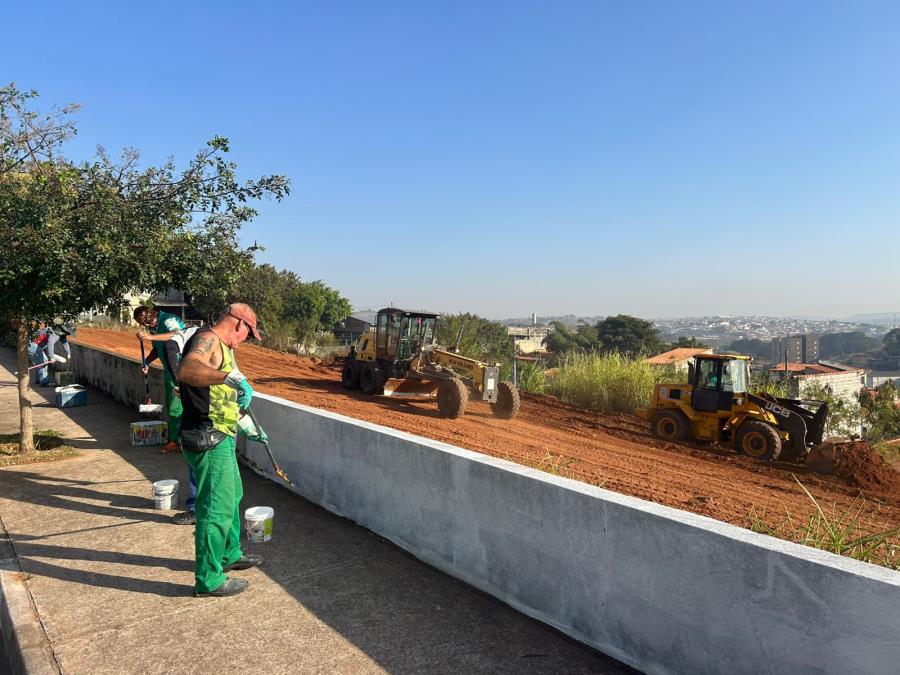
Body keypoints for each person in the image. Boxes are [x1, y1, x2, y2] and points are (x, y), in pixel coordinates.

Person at [177, 303, 264, 597]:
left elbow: (220, 397)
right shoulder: (208, 339)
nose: (246, 340)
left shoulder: (224, 349)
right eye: (248, 335)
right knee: (215, 509)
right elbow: (187, 369)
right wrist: (228, 377)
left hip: (222, 434)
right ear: (239, 324)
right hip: (207, 436)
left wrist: (247, 425)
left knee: (233, 495)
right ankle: (209, 579)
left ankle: (229, 553)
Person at [141, 325, 201, 525]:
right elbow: (170, 345)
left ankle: (201, 508)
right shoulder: (196, 335)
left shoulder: (215, 342)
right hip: (199, 416)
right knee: (197, 463)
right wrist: (179, 378)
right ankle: (195, 509)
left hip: (213, 420)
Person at [134, 306, 185, 453]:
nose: (146, 325)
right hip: (170, 372)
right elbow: (157, 348)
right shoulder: (155, 327)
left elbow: (177, 334)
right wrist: (146, 362)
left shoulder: (168, 320)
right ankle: (176, 441)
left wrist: (150, 337)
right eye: (143, 324)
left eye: (147, 321)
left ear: (151, 314)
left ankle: (175, 442)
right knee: (173, 407)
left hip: (182, 370)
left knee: (177, 408)